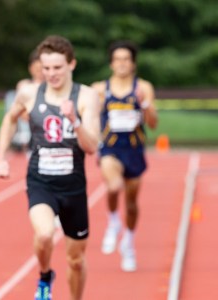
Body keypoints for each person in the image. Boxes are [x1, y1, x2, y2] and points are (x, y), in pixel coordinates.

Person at [0, 35, 100, 300]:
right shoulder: (30, 94)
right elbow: (9, 120)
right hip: (40, 182)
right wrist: (1, 157)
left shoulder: (86, 96)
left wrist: (74, 120)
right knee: (44, 234)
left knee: (76, 259)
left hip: (74, 186)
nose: (51, 74)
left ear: (71, 65)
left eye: (57, 68)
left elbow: (91, 146)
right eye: (46, 68)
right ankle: (44, 276)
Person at [91, 40, 158, 272]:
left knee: (131, 203)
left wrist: (145, 103)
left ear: (133, 64)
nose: (122, 63)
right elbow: (89, 119)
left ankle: (129, 242)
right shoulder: (100, 89)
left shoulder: (144, 87)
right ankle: (113, 222)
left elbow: (153, 123)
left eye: (126, 59)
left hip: (134, 150)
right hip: (110, 149)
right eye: (117, 59)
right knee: (113, 186)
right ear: (111, 63)